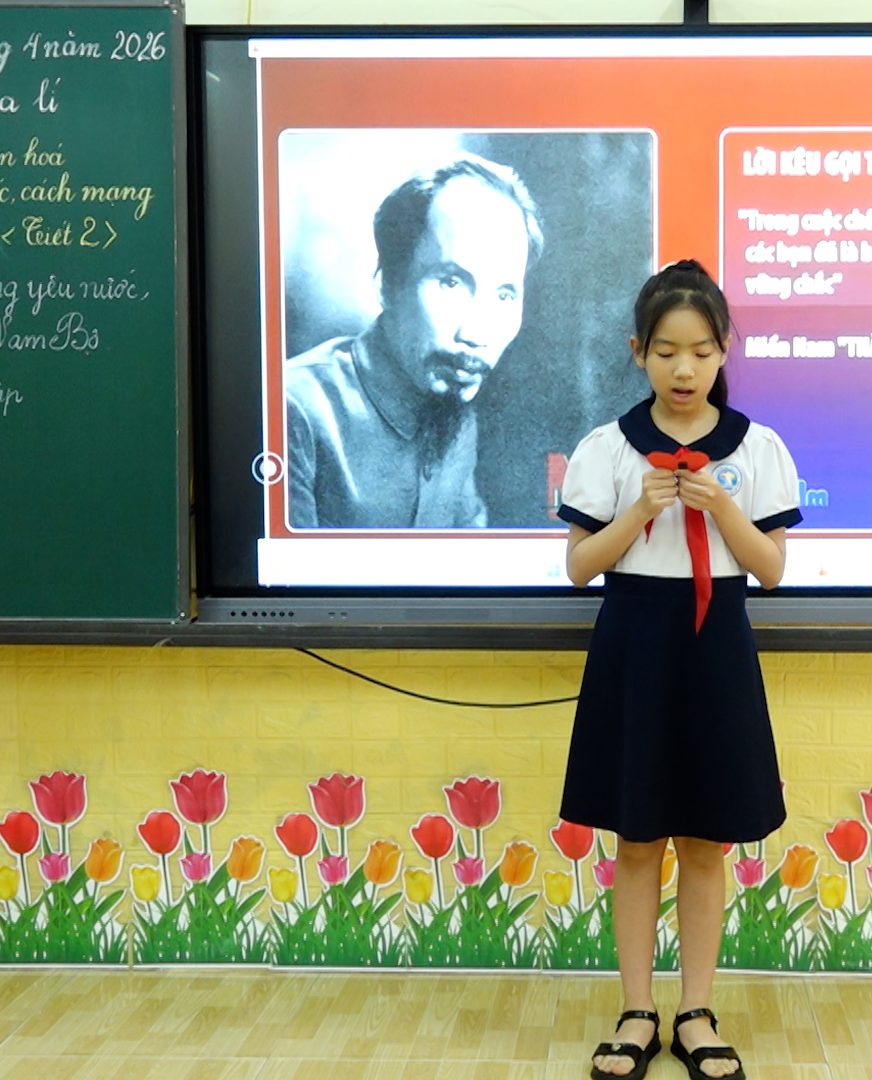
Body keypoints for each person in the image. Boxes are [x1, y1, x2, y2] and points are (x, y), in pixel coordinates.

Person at [556, 261, 801, 1080]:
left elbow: (772, 570)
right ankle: (637, 1010)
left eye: (700, 351)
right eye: (666, 352)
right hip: (634, 649)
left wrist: (722, 507)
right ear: (638, 353)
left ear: (725, 350)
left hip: (716, 651)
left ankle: (696, 1011)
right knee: (636, 841)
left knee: (704, 843)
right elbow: (578, 568)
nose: (684, 369)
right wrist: (641, 508)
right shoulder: (607, 447)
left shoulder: (757, 448)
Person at [284, 153, 543, 527]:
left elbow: (470, 545)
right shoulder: (293, 410)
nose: (477, 334)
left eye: (504, 294)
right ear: (388, 284)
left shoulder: (455, 411)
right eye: (451, 283)